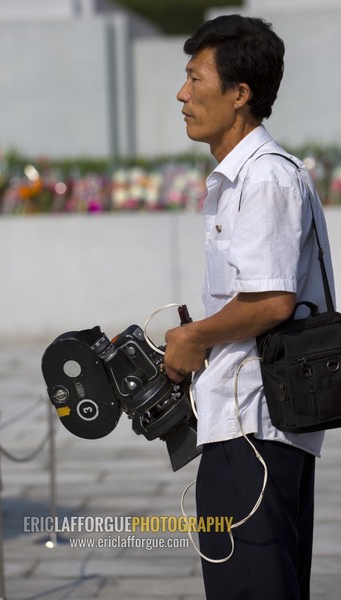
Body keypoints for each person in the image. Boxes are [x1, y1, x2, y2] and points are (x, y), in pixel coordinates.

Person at [163, 14, 335, 600]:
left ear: (240, 94)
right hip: (244, 425)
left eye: (194, 78)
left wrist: (193, 340)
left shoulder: (263, 179)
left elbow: (272, 301)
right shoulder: (247, 177)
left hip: (255, 430)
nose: (183, 94)